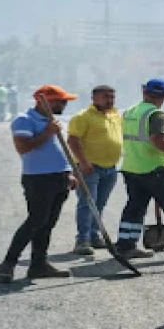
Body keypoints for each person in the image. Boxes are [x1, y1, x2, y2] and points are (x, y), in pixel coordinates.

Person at [0, 85, 78, 284]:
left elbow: (58, 148)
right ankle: (7, 264)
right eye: (60, 101)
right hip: (39, 179)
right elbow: (23, 147)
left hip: (60, 177)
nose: (64, 104)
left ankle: (39, 265)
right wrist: (48, 132)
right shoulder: (25, 120)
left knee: (48, 224)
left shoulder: (52, 121)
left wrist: (69, 172)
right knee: (35, 222)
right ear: (43, 101)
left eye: (65, 101)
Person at [115, 78, 164, 259]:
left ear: (144, 91)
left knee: (135, 207)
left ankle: (125, 245)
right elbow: (159, 142)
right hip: (155, 169)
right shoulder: (158, 115)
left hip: (132, 167)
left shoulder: (130, 111)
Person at [67, 84, 122, 255]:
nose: (110, 100)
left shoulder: (115, 115)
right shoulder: (83, 117)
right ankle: (82, 240)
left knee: (99, 204)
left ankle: (94, 235)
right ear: (94, 98)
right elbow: (73, 140)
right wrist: (83, 162)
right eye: (105, 96)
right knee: (86, 204)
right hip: (90, 168)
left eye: (112, 96)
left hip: (110, 168)